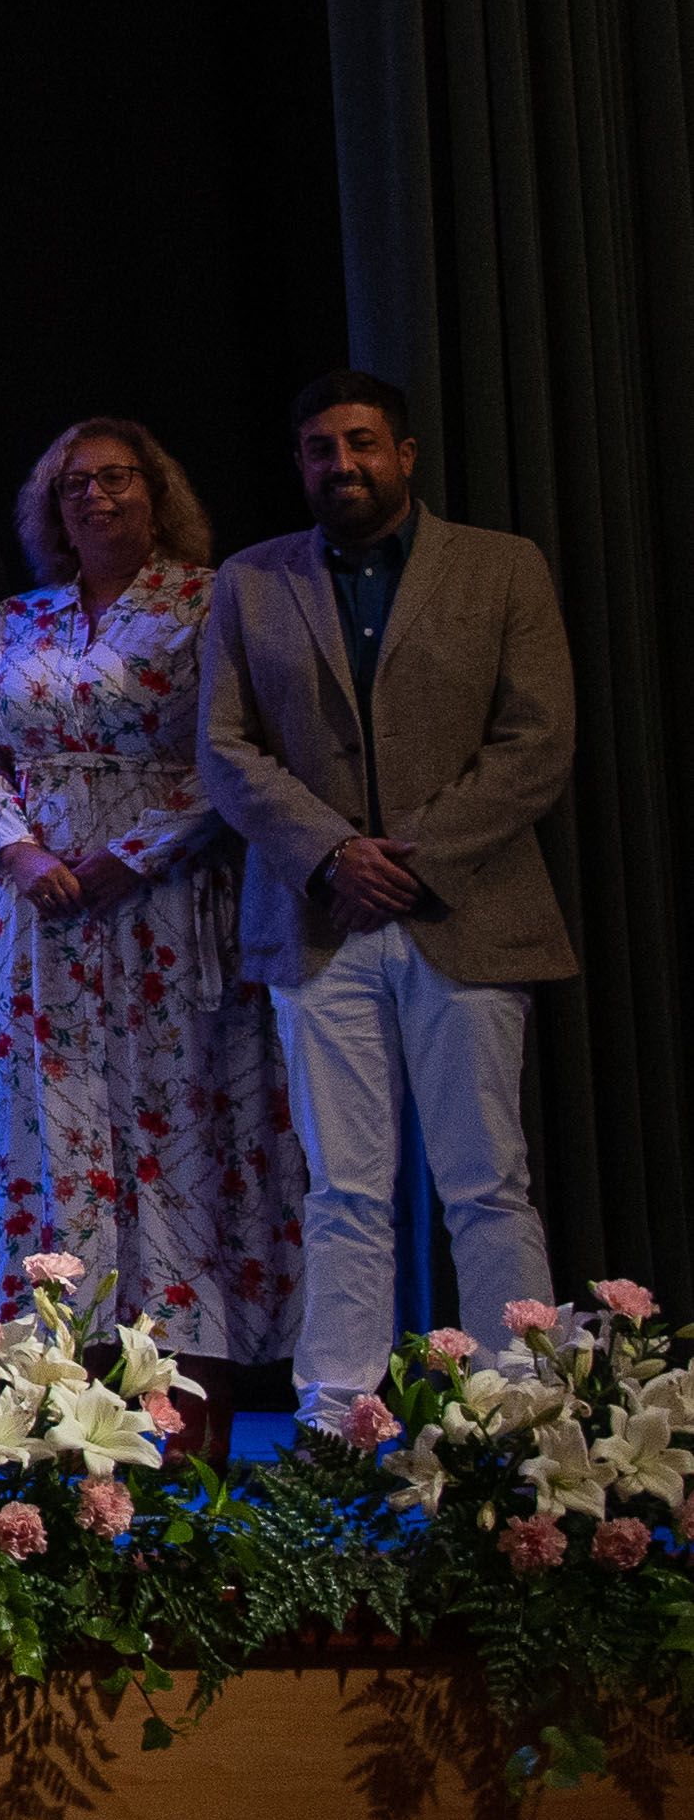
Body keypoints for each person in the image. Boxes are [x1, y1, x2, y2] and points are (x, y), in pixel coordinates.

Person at [200, 371, 577, 1424]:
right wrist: (332, 852)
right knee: (344, 1189)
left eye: (362, 443)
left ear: (405, 454)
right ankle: (337, 1414)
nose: (343, 465)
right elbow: (224, 748)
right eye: (321, 448)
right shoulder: (251, 580)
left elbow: (539, 740)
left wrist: (410, 854)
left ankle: (524, 1411)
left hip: (465, 912)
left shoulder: (502, 567)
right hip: (321, 922)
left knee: (487, 1181)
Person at [0, 421, 295, 1436]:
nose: (96, 497)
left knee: (177, 1132)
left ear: (157, 491)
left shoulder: (206, 601)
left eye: (117, 479)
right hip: (39, 919)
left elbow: (235, 750)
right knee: (50, 1140)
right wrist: (20, 852)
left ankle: (185, 1401)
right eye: (74, 485)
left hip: (166, 910)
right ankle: (60, 1402)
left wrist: (132, 853)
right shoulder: (20, 616)